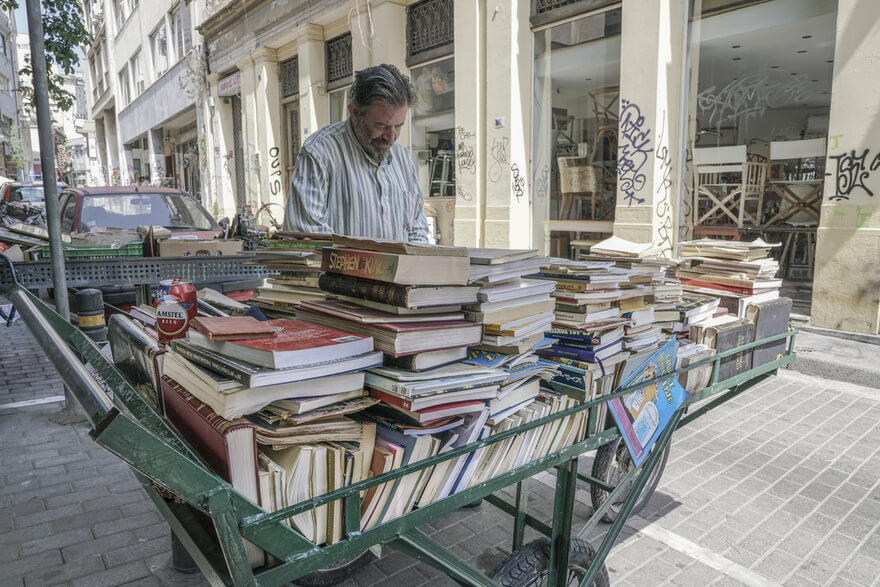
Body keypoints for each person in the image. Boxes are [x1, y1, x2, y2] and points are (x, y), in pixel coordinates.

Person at [283, 64, 429, 243]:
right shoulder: (319, 154)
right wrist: (369, 266)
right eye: (381, 125)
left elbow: (418, 231)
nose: (391, 138)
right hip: (341, 271)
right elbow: (305, 233)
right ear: (354, 113)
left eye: (398, 126)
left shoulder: (402, 157)